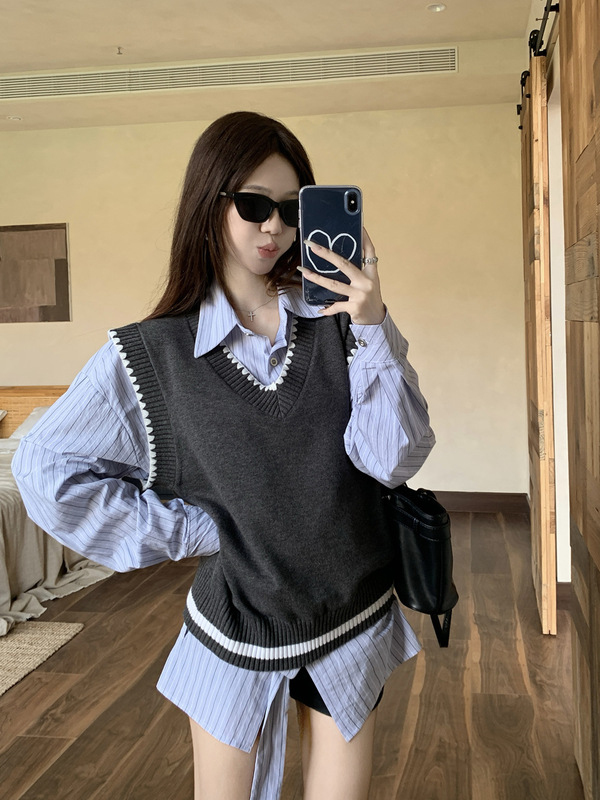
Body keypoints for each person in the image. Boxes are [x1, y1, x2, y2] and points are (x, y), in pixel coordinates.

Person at [12, 111, 435, 800]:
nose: (276, 227)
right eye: (254, 205)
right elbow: (44, 469)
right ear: (209, 205)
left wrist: (372, 325)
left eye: (292, 209)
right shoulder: (152, 354)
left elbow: (392, 460)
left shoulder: (343, 323)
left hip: (351, 610)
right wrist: (193, 529)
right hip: (236, 624)